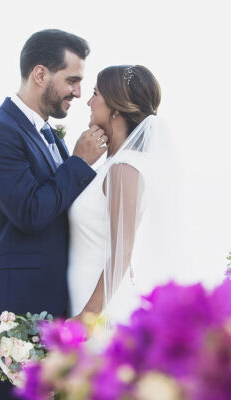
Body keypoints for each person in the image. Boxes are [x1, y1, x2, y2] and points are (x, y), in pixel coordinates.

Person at [0, 29, 108, 400]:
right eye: (72, 80)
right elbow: (29, 212)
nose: (78, 92)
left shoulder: (50, 135)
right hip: (11, 322)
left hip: (54, 319)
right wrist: (78, 163)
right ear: (40, 74)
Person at [67, 65, 180, 331]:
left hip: (101, 312)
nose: (89, 101)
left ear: (116, 108)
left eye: (95, 94)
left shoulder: (124, 168)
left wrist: (87, 317)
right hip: (85, 300)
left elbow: (122, 250)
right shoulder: (110, 166)